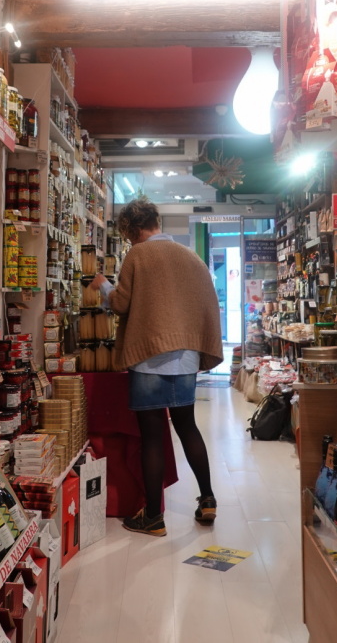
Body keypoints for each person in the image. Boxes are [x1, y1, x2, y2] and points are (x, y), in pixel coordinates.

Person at [89, 198, 223, 536]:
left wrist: (102, 284)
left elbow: (121, 304)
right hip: (187, 356)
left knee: (152, 436)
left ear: (133, 229)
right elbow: (206, 302)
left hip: (149, 356)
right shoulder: (191, 258)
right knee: (187, 426)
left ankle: (153, 516)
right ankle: (207, 498)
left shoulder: (139, 254)